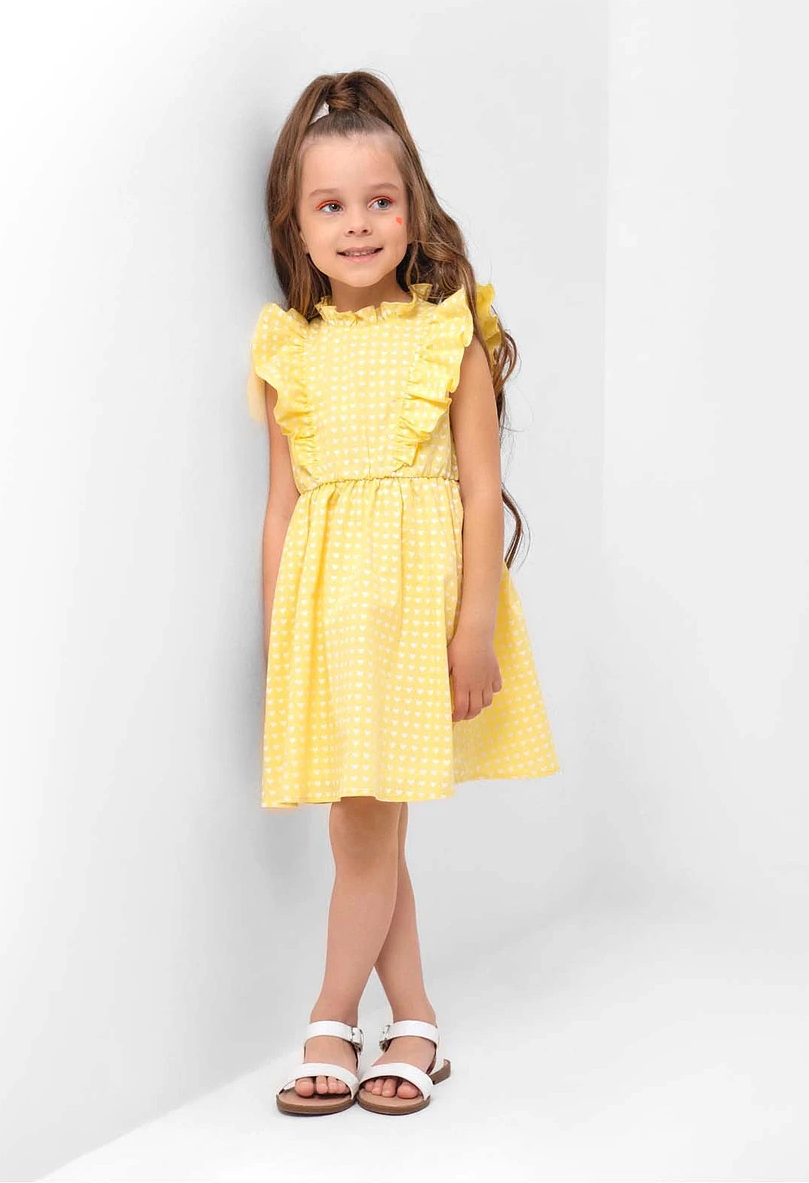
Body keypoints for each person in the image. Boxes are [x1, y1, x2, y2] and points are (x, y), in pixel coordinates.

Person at [247, 70, 561, 1117]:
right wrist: (277, 637)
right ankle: (416, 1019)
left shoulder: (446, 334)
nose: (357, 224)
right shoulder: (290, 347)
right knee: (364, 830)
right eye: (330, 205)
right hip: (329, 621)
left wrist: (476, 628)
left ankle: (330, 1016)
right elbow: (283, 508)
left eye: (379, 200)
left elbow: (478, 491)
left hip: (417, 617)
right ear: (296, 227)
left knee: (366, 828)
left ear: (412, 210)